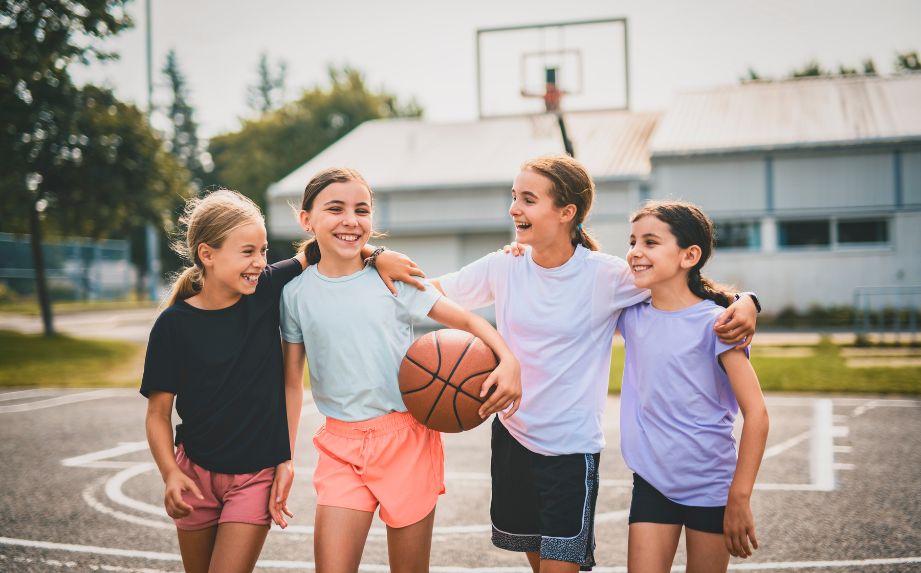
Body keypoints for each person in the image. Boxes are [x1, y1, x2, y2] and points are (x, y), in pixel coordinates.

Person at [430, 155, 759, 572]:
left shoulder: (607, 277)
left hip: (570, 450)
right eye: (514, 197)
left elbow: (684, 288)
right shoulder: (505, 265)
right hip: (513, 437)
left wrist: (747, 301)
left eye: (528, 199)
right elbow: (428, 293)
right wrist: (377, 257)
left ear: (567, 212)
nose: (514, 208)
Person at [141, 189, 424, 573]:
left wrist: (377, 255)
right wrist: (171, 473)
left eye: (262, 251)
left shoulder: (268, 288)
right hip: (194, 475)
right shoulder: (173, 326)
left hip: (254, 475)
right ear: (207, 254)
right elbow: (158, 414)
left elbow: (328, 244)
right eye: (247, 253)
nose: (259, 262)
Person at [276, 167, 521, 573]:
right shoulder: (295, 294)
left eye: (362, 209)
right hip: (341, 445)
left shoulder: (394, 279)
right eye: (335, 209)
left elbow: (469, 322)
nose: (351, 220)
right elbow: (290, 384)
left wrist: (507, 360)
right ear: (307, 220)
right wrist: (283, 457)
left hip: (406, 438)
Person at [619, 200, 769, 573]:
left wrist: (739, 496)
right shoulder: (630, 314)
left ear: (689, 255)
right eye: (633, 241)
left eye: (650, 242)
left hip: (711, 485)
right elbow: (575, 270)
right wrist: (522, 254)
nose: (636, 252)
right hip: (652, 481)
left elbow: (758, 415)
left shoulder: (717, 324)